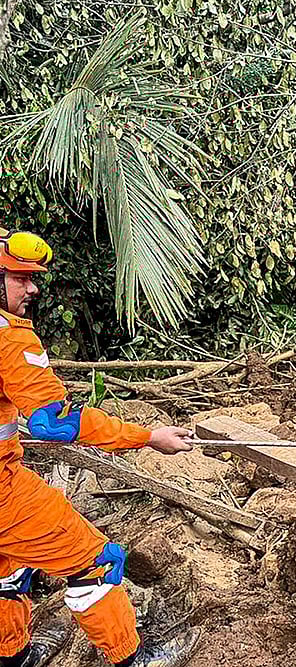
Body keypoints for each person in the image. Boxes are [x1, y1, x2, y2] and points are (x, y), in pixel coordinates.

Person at [0, 230, 201, 667]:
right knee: (98, 561)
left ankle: (12, 655)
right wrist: (148, 437)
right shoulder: (9, 339)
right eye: (20, 277)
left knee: (7, 572)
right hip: (3, 493)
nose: (34, 287)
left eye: (34, 278)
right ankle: (133, 659)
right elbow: (52, 423)